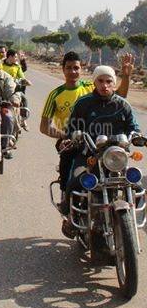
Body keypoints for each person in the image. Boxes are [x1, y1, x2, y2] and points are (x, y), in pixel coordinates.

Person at [60, 65, 142, 235]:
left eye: (109, 81)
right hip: (89, 154)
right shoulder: (83, 103)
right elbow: (72, 127)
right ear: (94, 82)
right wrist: (72, 136)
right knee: (75, 182)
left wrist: (136, 135)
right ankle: (70, 216)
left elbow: (133, 127)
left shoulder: (123, 105)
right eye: (101, 81)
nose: (105, 85)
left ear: (114, 83)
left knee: (137, 185)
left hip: (116, 157)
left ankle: (129, 217)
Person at [40, 50, 134, 192]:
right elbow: (44, 127)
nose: (73, 71)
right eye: (69, 68)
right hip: (73, 138)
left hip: (102, 140)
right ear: (63, 69)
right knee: (69, 166)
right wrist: (65, 136)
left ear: (81, 69)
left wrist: (126, 76)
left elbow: (119, 95)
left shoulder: (93, 86)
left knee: (129, 179)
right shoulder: (55, 95)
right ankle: (66, 194)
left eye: (76, 68)